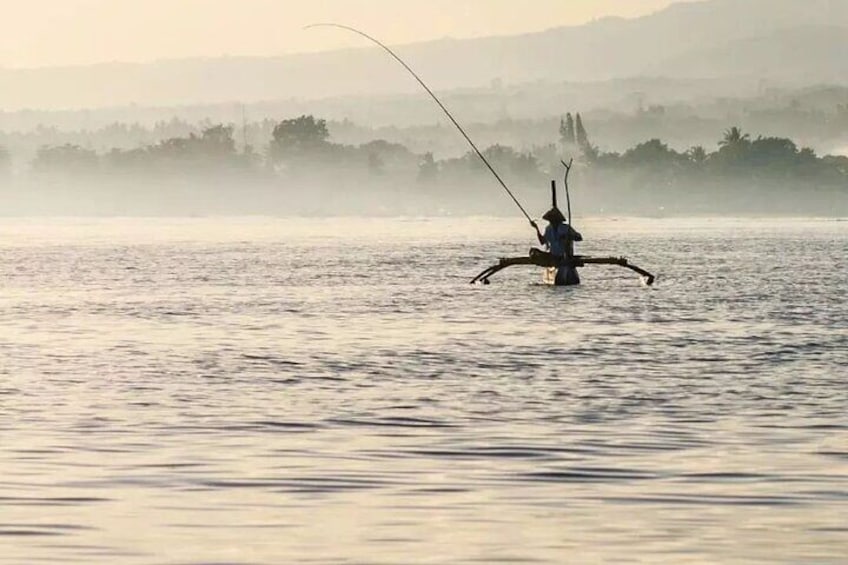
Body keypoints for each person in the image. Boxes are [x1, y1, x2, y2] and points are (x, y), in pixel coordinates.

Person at [531, 207, 583, 285]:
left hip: (565, 256)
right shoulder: (549, 229)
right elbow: (542, 241)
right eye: (551, 220)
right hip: (554, 256)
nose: (552, 222)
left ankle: (566, 269)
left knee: (565, 263)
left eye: (553, 220)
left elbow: (579, 238)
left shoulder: (566, 228)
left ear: (558, 220)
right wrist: (536, 229)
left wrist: (568, 236)